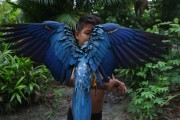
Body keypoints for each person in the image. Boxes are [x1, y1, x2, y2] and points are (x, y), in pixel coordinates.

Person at [66, 14, 127, 120]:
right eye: (88, 33)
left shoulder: (102, 57)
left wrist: (113, 83)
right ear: (77, 34)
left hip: (97, 114)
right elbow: (69, 80)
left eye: (96, 36)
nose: (92, 39)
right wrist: (100, 84)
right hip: (77, 114)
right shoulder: (75, 57)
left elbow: (108, 79)